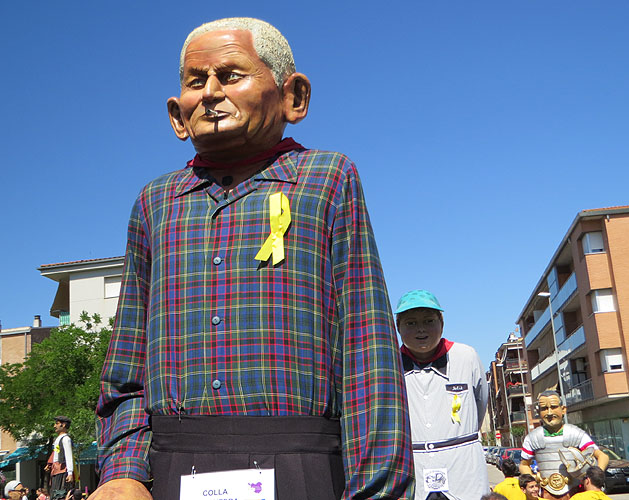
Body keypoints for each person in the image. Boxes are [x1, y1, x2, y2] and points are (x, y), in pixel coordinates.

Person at [91, 16, 412, 500]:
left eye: (231, 75)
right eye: (195, 81)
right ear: (177, 115)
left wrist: (378, 491)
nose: (210, 92)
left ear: (293, 97)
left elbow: (368, 351)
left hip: (303, 466)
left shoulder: (327, 179)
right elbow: (128, 360)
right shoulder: (156, 203)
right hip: (175, 466)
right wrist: (123, 472)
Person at [396, 289, 488, 500]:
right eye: (411, 323)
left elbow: (481, 403)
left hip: (463, 468)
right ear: (398, 327)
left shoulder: (466, 357)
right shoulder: (391, 364)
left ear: (442, 323)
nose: (421, 329)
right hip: (413, 468)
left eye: (429, 321)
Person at [519, 391, 608, 500]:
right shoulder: (533, 437)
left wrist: (594, 478)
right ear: (538, 411)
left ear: (563, 409)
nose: (549, 412)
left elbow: (602, 456)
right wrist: (534, 478)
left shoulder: (575, 433)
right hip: (545, 493)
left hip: (575, 492)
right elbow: (524, 465)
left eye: (553, 407)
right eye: (544, 408)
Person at [45, 416, 74, 500]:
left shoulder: (66, 439)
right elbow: (55, 453)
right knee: (54, 494)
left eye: (57, 423)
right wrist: (50, 464)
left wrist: (70, 473)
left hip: (62, 470)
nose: (55, 426)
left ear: (63, 425)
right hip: (56, 470)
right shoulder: (58, 439)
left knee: (60, 494)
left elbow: (69, 456)